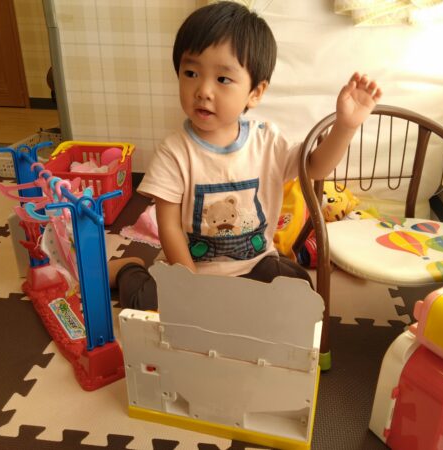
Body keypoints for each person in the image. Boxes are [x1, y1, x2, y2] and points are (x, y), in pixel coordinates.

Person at [109, 1, 382, 311]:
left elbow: (315, 167)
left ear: (255, 92)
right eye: (191, 73)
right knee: (144, 302)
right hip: (192, 266)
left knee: (298, 289)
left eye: (222, 79)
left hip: (255, 264)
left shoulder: (266, 141)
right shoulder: (175, 152)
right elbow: (169, 226)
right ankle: (128, 268)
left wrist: (345, 126)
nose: (203, 90)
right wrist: (190, 285)